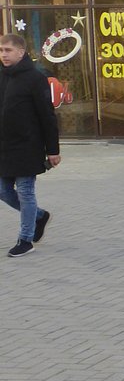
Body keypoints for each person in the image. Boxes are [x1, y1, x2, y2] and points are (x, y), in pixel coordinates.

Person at [0, 34, 60, 257]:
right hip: (5, 147)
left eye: (8, 50)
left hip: (28, 146)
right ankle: (39, 216)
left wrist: (53, 149)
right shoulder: (2, 77)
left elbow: (47, 116)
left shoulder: (36, 78)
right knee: (3, 191)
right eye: (1, 50)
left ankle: (25, 239)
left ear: (21, 52)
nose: (3, 54)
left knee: (25, 192)